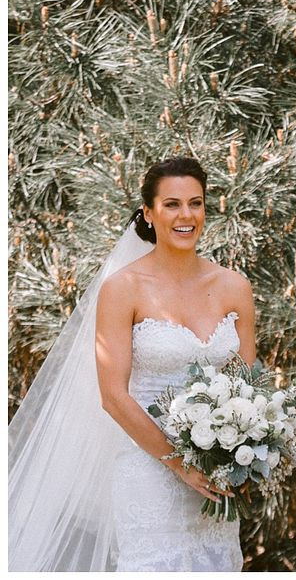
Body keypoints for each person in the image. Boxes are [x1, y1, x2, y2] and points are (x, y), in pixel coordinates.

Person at [9, 156, 256, 571]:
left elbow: (246, 386)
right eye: (172, 204)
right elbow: (113, 396)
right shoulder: (123, 288)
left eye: (195, 203)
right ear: (149, 212)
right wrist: (180, 465)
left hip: (216, 476)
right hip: (148, 470)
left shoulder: (235, 286)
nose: (186, 215)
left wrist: (242, 452)